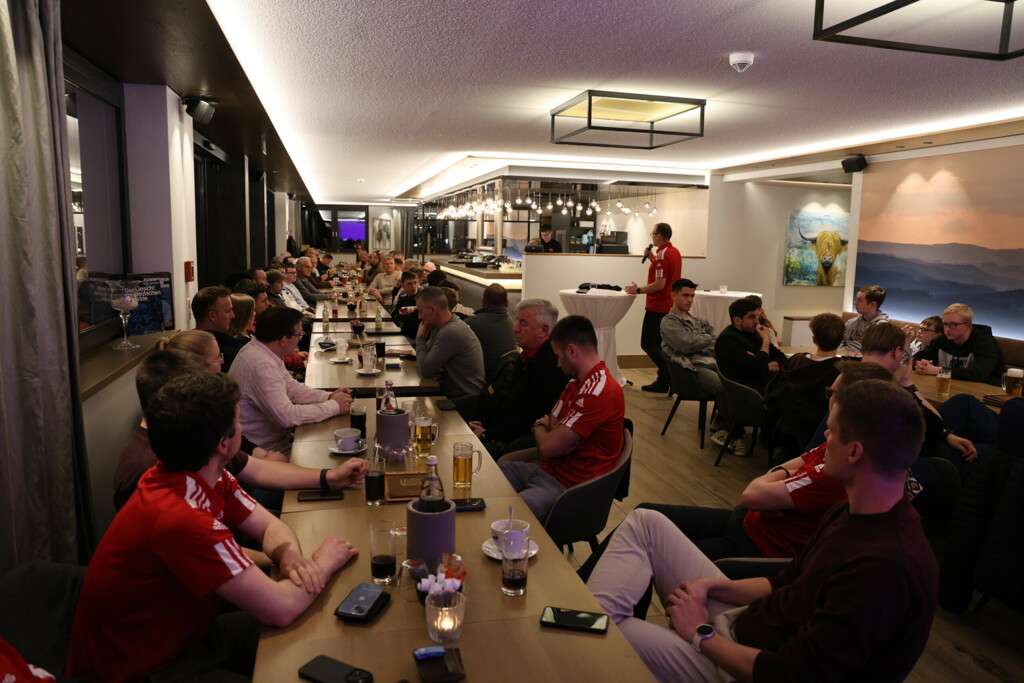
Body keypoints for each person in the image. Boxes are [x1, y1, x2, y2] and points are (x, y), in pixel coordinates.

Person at [587, 378, 937, 683]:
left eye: (831, 431)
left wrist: (698, 633)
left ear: (855, 452)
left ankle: (577, 636)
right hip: (743, 626)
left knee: (601, 630)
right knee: (646, 522)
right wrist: (712, 586)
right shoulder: (852, 511)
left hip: (743, 665)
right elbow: (784, 582)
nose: (824, 437)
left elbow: (791, 674)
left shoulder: (884, 568)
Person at [68, 372, 360, 682]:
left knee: (313, 632)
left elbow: (268, 525)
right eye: (239, 420)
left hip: (184, 633)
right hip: (144, 669)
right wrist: (324, 562)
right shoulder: (181, 518)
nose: (243, 427)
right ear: (223, 443)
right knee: (304, 641)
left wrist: (290, 557)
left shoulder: (198, 474)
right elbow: (281, 607)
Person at [113, 345, 367, 511]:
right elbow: (201, 547)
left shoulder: (198, 434)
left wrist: (329, 476)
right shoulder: (145, 470)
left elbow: (258, 470)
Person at [498, 315, 625, 522]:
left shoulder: (599, 391)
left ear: (572, 351)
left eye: (558, 356)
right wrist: (543, 427)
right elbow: (549, 425)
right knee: (489, 478)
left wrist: (542, 428)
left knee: (508, 513)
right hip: (547, 469)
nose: (557, 363)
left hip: (569, 488)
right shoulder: (575, 383)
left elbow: (548, 446)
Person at [229, 306, 352, 453]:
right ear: (283, 339)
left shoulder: (263, 350)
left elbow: (292, 388)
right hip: (267, 451)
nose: (300, 339)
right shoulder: (261, 364)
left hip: (279, 441)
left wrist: (329, 396)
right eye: (298, 334)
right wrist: (334, 406)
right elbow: (287, 416)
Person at [468, 299, 568, 453]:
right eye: (516, 321)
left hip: (520, 441)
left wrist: (488, 433)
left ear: (544, 330)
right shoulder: (524, 357)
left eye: (523, 323)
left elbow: (529, 418)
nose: (515, 328)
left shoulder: (552, 366)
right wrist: (483, 424)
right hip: (500, 429)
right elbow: (505, 399)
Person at [764, 312, 845, 457]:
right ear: (841, 339)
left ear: (814, 339)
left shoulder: (795, 361)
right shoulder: (840, 372)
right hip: (817, 435)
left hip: (787, 428)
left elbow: (774, 393)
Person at [626, 223, 682, 393]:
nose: (652, 236)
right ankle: (664, 381)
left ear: (660, 235)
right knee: (659, 344)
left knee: (648, 343)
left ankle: (669, 374)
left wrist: (637, 290)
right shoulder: (673, 252)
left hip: (657, 306)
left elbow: (659, 284)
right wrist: (651, 257)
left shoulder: (663, 255)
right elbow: (665, 273)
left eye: (653, 233)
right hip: (668, 305)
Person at [414, 286, 485, 402]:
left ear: (433, 310)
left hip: (464, 400)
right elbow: (425, 360)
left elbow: (425, 370)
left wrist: (420, 338)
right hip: (452, 393)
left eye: (421, 311)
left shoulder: (451, 331)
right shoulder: (440, 326)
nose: (419, 316)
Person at [914, 302, 1004, 385]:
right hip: (952, 386)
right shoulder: (942, 340)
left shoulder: (986, 343)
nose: (947, 329)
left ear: (968, 325)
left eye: (953, 325)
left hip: (987, 390)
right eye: (945, 324)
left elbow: (978, 373)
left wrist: (938, 370)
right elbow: (918, 357)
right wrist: (920, 364)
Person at [659, 278, 720, 396]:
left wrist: (701, 340)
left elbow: (715, 340)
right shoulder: (669, 322)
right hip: (691, 369)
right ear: (673, 296)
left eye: (692, 296)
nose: (690, 300)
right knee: (724, 386)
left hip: (709, 361)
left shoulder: (696, 320)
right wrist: (707, 338)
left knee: (740, 380)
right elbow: (687, 345)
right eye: (685, 295)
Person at [714, 296, 786, 394]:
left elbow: (781, 357)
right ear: (737, 320)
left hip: (764, 383)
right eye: (751, 317)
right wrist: (765, 341)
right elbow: (757, 368)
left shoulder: (752, 333)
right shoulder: (727, 340)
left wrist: (774, 364)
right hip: (745, 391)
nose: (756, 321)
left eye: (757, 317)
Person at [466, 284, 517, 381]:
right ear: (507, 302)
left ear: (483, 301)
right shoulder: (512, 322)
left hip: (483, 380)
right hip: (505, 379)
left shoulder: (471, 323)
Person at [191, 285, 235, 370]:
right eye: (228, 311)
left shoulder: (183, 345)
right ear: (212, 316)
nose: (233, 316)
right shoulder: (231, 348)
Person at [840, 284, 889, 354]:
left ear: (873, 305)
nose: (855, 303)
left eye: (859, 300)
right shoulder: (851, 322)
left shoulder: (881, 329)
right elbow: (840, 343)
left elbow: (874, 354)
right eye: (856, 299)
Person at [391, 271, 420, 338]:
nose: (413, 286)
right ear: (402, 285)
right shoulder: (403, 298)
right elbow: (394, 316)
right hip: (402, 333)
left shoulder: (423, 298)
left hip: (414, 336)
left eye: (415, 283)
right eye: (409, 283)